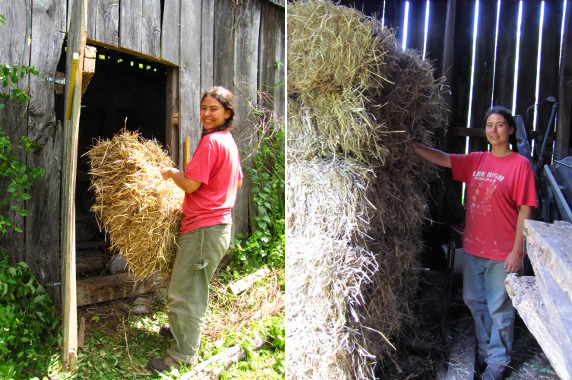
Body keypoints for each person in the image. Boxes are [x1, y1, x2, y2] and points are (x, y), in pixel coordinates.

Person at [407, 106, 537, 380]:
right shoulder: (477, 161)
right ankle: (485, 352)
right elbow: (443, 159)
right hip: (474, 248)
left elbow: (525, 211)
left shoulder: (520, 165)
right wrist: (412, 144)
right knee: (474, 300)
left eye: (500, 124)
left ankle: (499, 362)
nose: (494, 130)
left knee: (499, 308)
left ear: (510, 130)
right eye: (489, 124)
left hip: (502, 253)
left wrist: (517, 251)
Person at [148, 86, 243, 373]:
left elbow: (190, 184)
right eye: (204, 108)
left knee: (186, 293)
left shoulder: (211, 143)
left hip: (204, 229)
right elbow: (236, 182)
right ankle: (182, 333)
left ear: (227, 113)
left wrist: (171, 173)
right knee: (191, 288)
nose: (207, 114)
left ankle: (182, 356)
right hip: (216, 227)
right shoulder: (228, 143)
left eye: (214, 109)